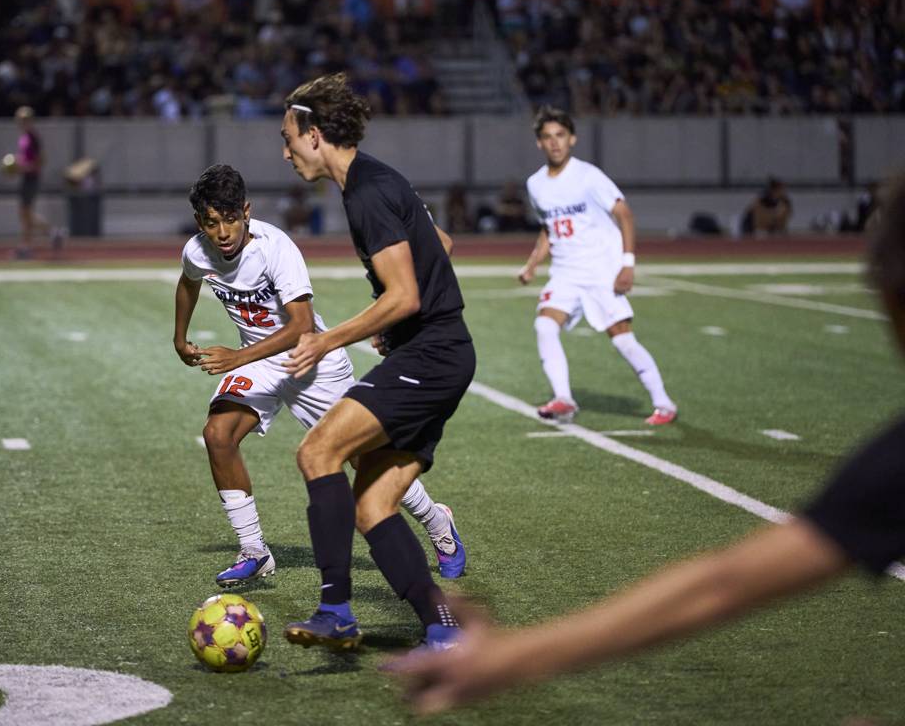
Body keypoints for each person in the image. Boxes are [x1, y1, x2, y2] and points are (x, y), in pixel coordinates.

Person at [386, 179, 905, 715]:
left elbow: (722, 585)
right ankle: (563, 398)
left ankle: (632, 396)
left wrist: (513, 656)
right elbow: (723, 584)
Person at [174, 164, 467, 588]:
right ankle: (255, 551)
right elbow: (188, 282)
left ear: (247, 212)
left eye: (231, 219)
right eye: (211, 222)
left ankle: (438, 523)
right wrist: (179, 337)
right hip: (261, 363)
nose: (222, 232)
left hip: (313, 360)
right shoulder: (197, 250)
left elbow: (300, 326)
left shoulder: (277, 249)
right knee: (219, 435)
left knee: (364, 461)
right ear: (201, 223)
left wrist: (237, 357)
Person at [278, 73, 476, 652]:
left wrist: (328, 338)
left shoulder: (365, 191)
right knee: (373, 505)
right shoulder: (376, 180)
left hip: (434, 354)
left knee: (318, 451)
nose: (285, 150)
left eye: (288, 136)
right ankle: (444, 626)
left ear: (314, 133)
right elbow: (440, 242)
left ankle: (335, 609)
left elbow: (405, 294)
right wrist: (396, 324)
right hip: (440, 351)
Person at [517, 106, 677, 426]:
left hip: (601, 270)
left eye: (560, 135)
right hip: (565, 273)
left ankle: (664, 403)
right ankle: (564, 400)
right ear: (539, 143)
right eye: (547, 137)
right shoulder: (535, 184)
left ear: (572, 138)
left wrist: (627, 265)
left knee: (622, 339)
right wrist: (533, 263)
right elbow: (550, 227)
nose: (555, 143)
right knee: (544, 326)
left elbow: (625, 215)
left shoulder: (588, 176)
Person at [12, 106, 64, 259]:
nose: (23, 123)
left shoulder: (33, 137)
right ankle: (51, 233)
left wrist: (26, 167)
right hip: (26, 177)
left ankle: (27, 246)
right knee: (25, 214)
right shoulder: (24, 137)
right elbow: (24, 158)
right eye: (21, 120)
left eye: (25, 120)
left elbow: (41, 159)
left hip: (31, 178)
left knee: (25, 213)